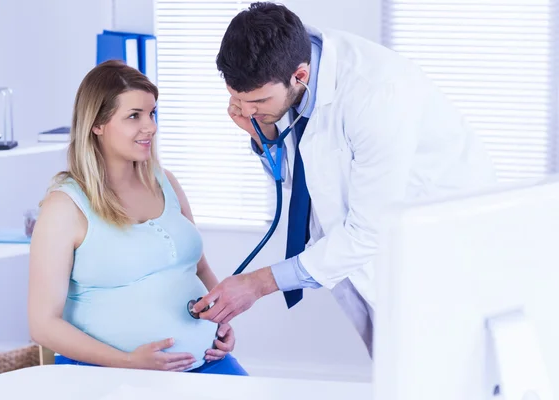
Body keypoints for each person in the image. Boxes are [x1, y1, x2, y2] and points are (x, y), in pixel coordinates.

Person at [192, 2, 497, 355]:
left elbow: (369, 231)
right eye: (237, 99)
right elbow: (307, 181)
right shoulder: (290, 76)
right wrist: (263, 133)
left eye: (257, 101)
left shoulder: (375, 95)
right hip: (366, 257)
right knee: (395, 373)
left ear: (300, 76)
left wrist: (257, 284)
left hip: (437, 259)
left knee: (438, 374)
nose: (245, 110)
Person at [28, 60, 247, 375]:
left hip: (206, 360)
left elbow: (198, 267)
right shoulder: (64, 207)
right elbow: (43, 325)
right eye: (134, 116)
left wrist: (221, 319)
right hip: (107, 373)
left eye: (151, 113)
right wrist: (128, 361)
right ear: (97, 124)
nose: (151, 127)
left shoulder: (165, 181)